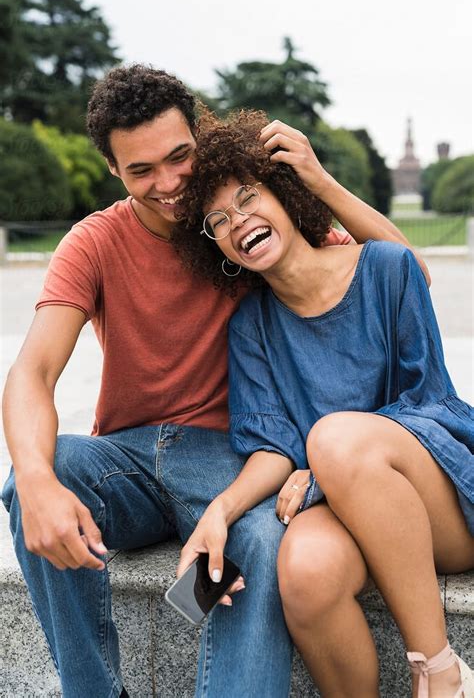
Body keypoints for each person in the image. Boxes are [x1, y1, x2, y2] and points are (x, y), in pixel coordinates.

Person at [1, 64, 420, 698]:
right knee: (38, 474)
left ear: (201, 135)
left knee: (260, 543)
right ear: (113, 171)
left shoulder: (248, 218)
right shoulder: (92, 242)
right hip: (129, 460)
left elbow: (399, 272)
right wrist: (34, 479)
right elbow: (33, 371)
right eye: (141, 171)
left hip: (238, 458)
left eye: (179, 157)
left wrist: (318, 178)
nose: (169, 184)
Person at [172, 110, 474, 698]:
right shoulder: (251, 326)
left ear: (286, 194)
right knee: (304, 573)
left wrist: (332, 464)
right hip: (338, 509)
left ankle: (442, 675)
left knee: (336, 438)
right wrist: (220, 512)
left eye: (249, 197)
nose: (240, 221)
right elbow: (273, 449)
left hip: (443, 502)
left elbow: (430, 402)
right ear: (222, 247)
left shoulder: (385, 269)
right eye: (219, 220)